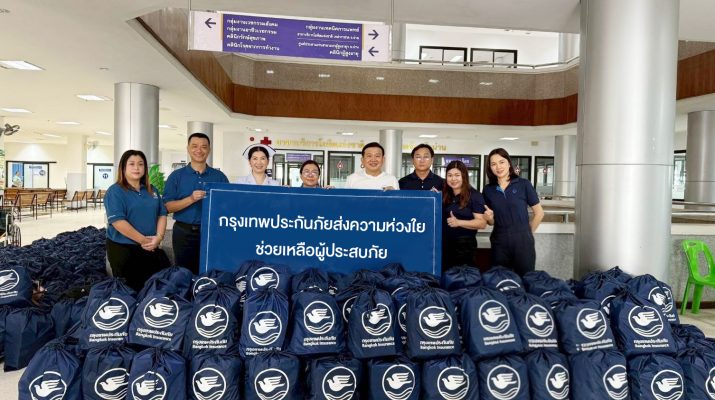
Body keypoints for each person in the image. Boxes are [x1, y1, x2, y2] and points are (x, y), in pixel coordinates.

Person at [105, 149, 170, 291]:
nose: (136, 168)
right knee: (133, 291)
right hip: (124, 249)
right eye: (132, 164)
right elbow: (118, 222)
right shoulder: (115, 191)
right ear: (123, 168)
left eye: (141, 164)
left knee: (158, 288)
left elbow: (162, 214)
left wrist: (159, 237)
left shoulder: (152, 190)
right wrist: (144, 241)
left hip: (150, 247)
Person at [163, 133, 228, 274]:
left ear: (209, 150)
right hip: (183, 232)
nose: (199, 150)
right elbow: (167, 207)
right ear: (188, 148)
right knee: (184, 273)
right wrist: (191, 199)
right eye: (194, 146)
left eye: (204, 147)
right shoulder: (176, 176)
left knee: (211, 272)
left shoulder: (219, 177)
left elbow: (227, 207)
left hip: (212, 232)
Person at [482, 148, 544, 276]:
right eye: (493, 164)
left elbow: (539, 213)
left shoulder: (523, 184)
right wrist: (489, 218)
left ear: (509, 163)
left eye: (501, 162)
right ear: (490, 168)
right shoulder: (488, 190)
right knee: (500, 279)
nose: (498, 167)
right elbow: (491, 222)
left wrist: (527, 233)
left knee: (526, 278)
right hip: (499, 241)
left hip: (523, 242)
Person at [442, 160, 487, 271]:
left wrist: (459, 222)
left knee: (461, 279)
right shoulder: (445, 194)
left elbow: (482, 223)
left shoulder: (474, 196)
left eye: (457, 175)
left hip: (464, 247)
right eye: (450, 175)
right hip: (444, 244)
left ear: (464, 176)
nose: (453, 179)